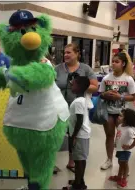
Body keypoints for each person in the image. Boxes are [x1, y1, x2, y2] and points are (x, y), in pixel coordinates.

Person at [54, 43, 98, 173]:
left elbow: (95, 87)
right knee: (55, 135)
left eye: (69, 53)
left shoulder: (86, 69)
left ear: (77, 53)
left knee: (74, 135)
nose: (65, 55)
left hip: (78, 108)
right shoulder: (57, 68)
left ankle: (72, 161)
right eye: (65, 53)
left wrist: (79, 83)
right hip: (59, 108)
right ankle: (51, 162)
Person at [99, 52, 135, 170]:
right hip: (109, 111)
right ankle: (109, 160)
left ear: (123, 64)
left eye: (117, 62)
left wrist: (120, 97)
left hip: (122, 113)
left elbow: (133, 97)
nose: (113, 64)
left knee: (122, 136)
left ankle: (123, 163)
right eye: (113, 61)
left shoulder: (128, 79)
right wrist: (105, 94)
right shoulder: (106, 78)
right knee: (110, 135)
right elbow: (100, 94)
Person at [63, 76, 91, 190]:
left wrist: (73, 136)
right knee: (80, 159)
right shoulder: (81, 99)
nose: (71, 85)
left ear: (79, 87)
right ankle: (80, 181)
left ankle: (77, 186)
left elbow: (79, 120)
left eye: (73, 84)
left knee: (79, 161)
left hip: (79, 135)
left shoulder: (79, 101)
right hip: (81, 135)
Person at [108, 108, 135, 188]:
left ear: (127, 119)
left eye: (121, 116)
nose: (118, 117)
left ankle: (124, 179)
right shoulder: (120, 126)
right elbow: (118, 135)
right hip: (119, 149)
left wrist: (130, 147)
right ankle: (119, 177)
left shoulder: (129, 130)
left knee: (124, 165)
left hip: (125, 151)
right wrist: (115, 142)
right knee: (120, 163)